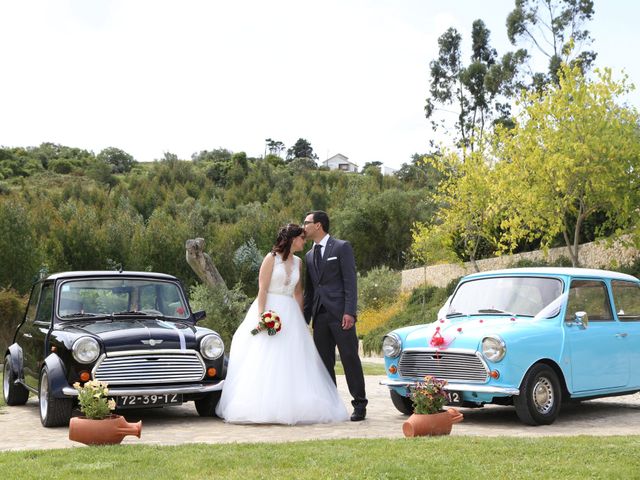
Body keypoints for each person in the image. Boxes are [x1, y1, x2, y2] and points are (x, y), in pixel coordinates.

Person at [216, 224, 348, 424]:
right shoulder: (271, 258)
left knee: (293, 357)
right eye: (302, 238)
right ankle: (263, 405)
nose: (304, 241)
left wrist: (302, 319)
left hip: (291, 313)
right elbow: (262, 288)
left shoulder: (298, 262)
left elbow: (298, 292)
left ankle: (294, 404)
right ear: (292, 239)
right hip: (270, 307)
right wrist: (262, 316)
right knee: (266, 355)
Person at [302, 211, 368, 421]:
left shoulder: (341, 247)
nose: (304, 226)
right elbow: (309, 291)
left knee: (349, 358)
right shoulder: (309, 255)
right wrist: (303, 319)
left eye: (307, 223)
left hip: (341, 315)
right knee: (324, 362)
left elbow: (350, 281)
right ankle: (331, 406)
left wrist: (350, 312)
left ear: (318, 225)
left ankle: (359, 404)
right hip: (319, 316)